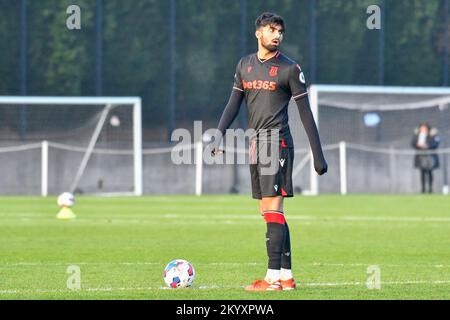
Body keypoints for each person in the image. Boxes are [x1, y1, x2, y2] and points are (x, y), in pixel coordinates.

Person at [208, 12, 328, 291]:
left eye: (280, 31)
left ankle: (272, 277)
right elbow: (232, 104)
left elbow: (306, 113)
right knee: (269, 210)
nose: (277, 35)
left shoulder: (289, 69)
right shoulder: (244, 65)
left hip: (277, 143)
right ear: (258, 33)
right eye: (271, 29)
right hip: (256, 143)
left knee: (272, 208)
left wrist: (318, 155)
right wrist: (217, 136)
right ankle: (285, 276)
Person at [411, 123, 440, 193]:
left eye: (424, 128)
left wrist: (427, 146)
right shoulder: (417, 136)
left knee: (430, 172)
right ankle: (423, 189)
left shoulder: (432, 135)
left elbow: (435, 143)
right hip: (420, 156)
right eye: (422, 128)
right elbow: (413, 143)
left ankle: (430, 189)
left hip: (430, 156)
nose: (423, 129)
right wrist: (419, 145)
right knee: (422, 173)